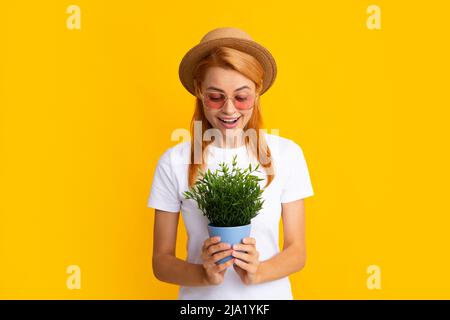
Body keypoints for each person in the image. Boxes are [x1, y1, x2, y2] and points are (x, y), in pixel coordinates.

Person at [147, 27, 314, 300]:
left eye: (241, 96)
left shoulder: (287, 154)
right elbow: (161, 261)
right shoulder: (174, 162)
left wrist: (258, 272)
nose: (229, 109)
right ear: (200, 91)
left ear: (257, 92)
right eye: (216, 96)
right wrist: (203, 274)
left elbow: (297, 251)